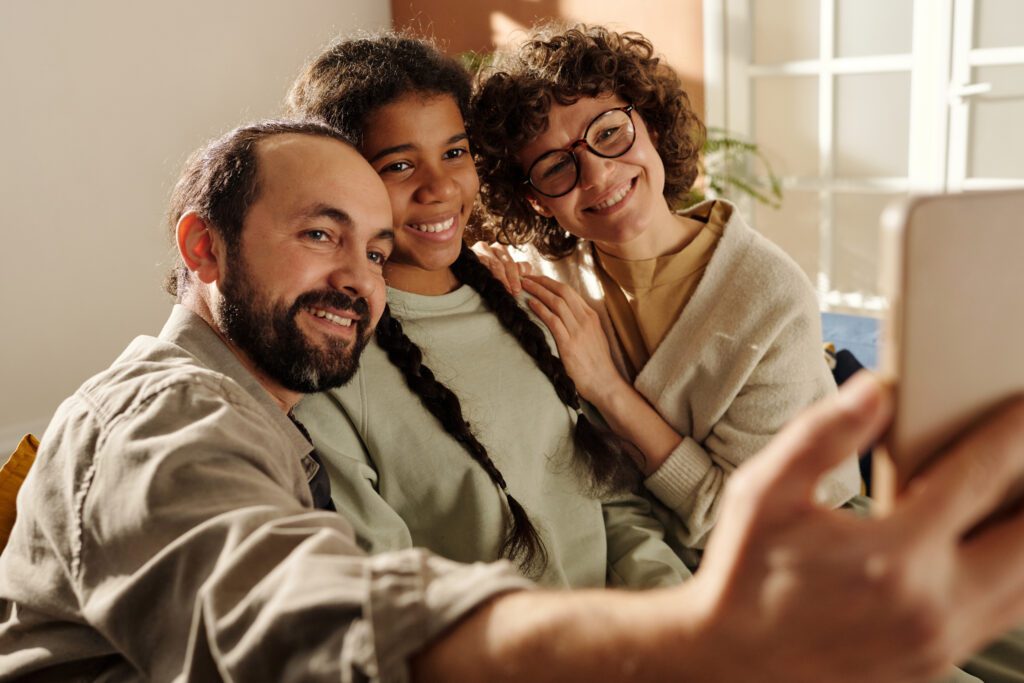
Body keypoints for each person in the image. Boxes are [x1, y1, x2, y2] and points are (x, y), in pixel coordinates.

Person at [3, 119, 1024, 683]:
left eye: (374, 247)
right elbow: (279, 615)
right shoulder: (164, 412)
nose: (358, 279)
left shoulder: (286, 395)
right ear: (201, 246)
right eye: (320, 234)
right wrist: (699, 642)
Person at [285, 34, 688, 586]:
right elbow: (388, 588)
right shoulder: (331, 366)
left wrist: (675, 611)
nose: (441, 187)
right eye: (399, 166)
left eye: (454, 153)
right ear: (344, 181)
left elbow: (616, 507)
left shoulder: (530, 304)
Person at [470, 24, 860, 548]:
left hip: (800, 542)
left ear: (650, 124)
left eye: (608, 133)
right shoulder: (550, 274)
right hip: (647, 546)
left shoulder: (768, 296)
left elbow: (749, 523)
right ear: (538, 201)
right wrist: (481, 263)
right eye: (556, 166)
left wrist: (606, 387)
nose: (597, 176)